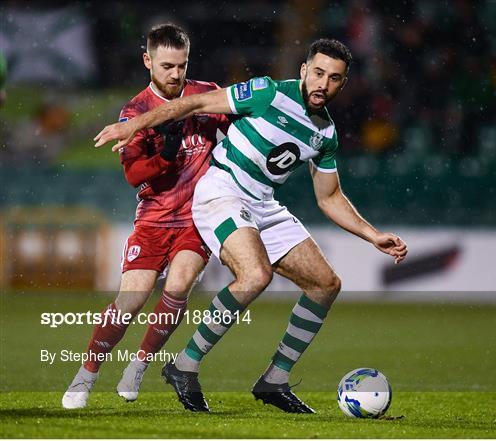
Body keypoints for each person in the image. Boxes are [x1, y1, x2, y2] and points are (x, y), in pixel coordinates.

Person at [94, 38, 408, 414]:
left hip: (263, 204)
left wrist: (373, 235)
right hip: (221, 191)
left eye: (335, 78)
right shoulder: (267, 93)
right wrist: (135, 125)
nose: (323, 84)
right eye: (319, 73)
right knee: (255, 275)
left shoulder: (325, 134)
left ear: (344, 83)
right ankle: (184, 365)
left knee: (326, 285)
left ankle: (274, 379)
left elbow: (329, 198)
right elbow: (194, 103)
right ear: (304, 71)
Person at [62, 23, 230, 409]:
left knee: (179, 285)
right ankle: (86, 373)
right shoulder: (135, 111)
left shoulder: (206, 95)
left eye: (181, 65)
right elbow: (133, 175)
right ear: (147, 61)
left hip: (195, 217)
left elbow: (238, 126)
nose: (175, 74)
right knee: (130, 302)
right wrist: (166, 156)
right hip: (153, 219)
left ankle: (139, 365)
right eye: (167, 66)